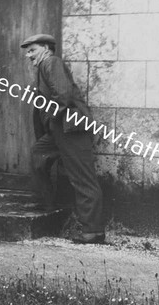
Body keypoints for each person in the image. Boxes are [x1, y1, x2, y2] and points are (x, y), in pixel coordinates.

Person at [21, 33, 105, 244]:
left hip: (72, 129)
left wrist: (50, 116)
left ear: (47, 48)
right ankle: (47, 203)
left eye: (32, 50)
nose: (28, 55)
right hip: (58, 130)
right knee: (38, 154)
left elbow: (64, 95)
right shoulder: (43, 66)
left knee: (82, 178)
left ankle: (93, 232)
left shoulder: (51, 62)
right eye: (27, 51)